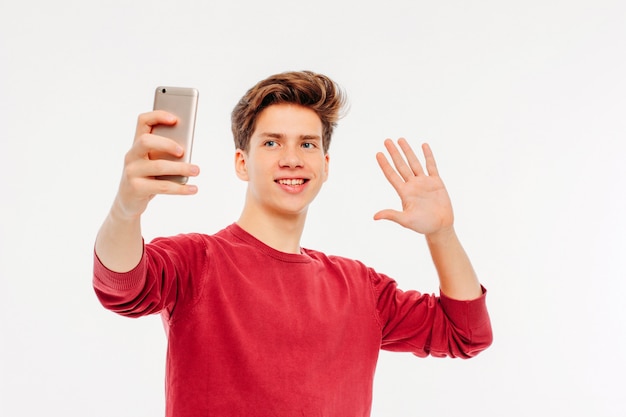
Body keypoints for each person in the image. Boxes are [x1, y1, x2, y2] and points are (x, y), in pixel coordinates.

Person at [93, 70, 492, 417]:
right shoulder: (198, 261)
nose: (292, 159)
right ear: (241, 163)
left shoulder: (359, 287)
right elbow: (120, 286)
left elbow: (465, 333)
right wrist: (126, 210)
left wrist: (442, 234)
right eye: (271, 143)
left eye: (307, 144)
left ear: (325, 165)